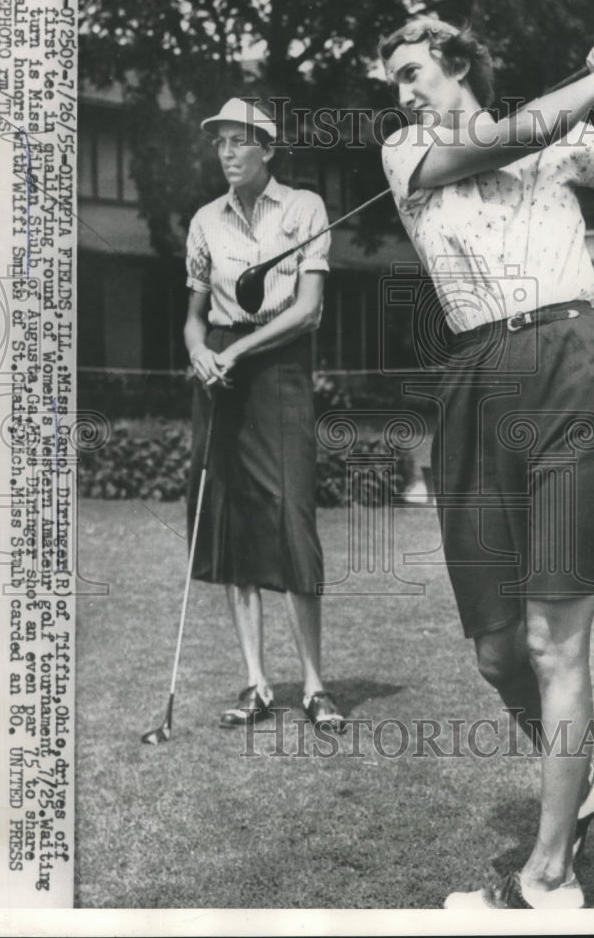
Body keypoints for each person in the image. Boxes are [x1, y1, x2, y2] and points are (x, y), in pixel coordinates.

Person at [378, 17, 594, 908]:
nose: (401, 93)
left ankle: (549, 872)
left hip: (571, 365)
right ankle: (586, 776)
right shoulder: (406, 151)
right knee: (496, 653)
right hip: (474, 384)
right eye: (391, 82)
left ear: (458, 62)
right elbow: (517, 133)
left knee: (551, 642)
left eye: (411, 72)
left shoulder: (568, 141)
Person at [183, 97, 346, 733]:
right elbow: (195, 318)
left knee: (291, 516)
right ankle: (255, 684)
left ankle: (313, 685)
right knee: (229, 520)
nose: (227, 152)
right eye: (219, 142)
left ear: (268, 148)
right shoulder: (203, 221)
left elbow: (306, 310)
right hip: (218, 374)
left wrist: (237, 350)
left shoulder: (304, 208)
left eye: (239, 141)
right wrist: (200, 351)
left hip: (278, 369)